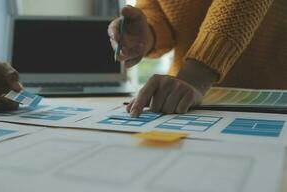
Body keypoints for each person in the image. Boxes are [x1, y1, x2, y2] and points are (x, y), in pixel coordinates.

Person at [108, 0, 286, 118]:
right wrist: (148, 32)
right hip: (183, 99)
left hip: (267, 99)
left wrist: (195, 76)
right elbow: (158, 9)